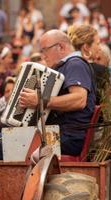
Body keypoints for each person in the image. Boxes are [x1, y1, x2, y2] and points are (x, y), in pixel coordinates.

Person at [19, 29, 96, 157]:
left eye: (44, 50)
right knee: (0, 139)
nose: (43, 55)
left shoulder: (75, 64)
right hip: (60, 133)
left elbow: (79, 100)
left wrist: (40, 101)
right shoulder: (65, 65)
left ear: (60, 47)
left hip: (69, 137)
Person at [67, 24, 107, 105]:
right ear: (86, 47)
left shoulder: (71, 64)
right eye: (98, 44)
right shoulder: (77, 66)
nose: (99, 48)